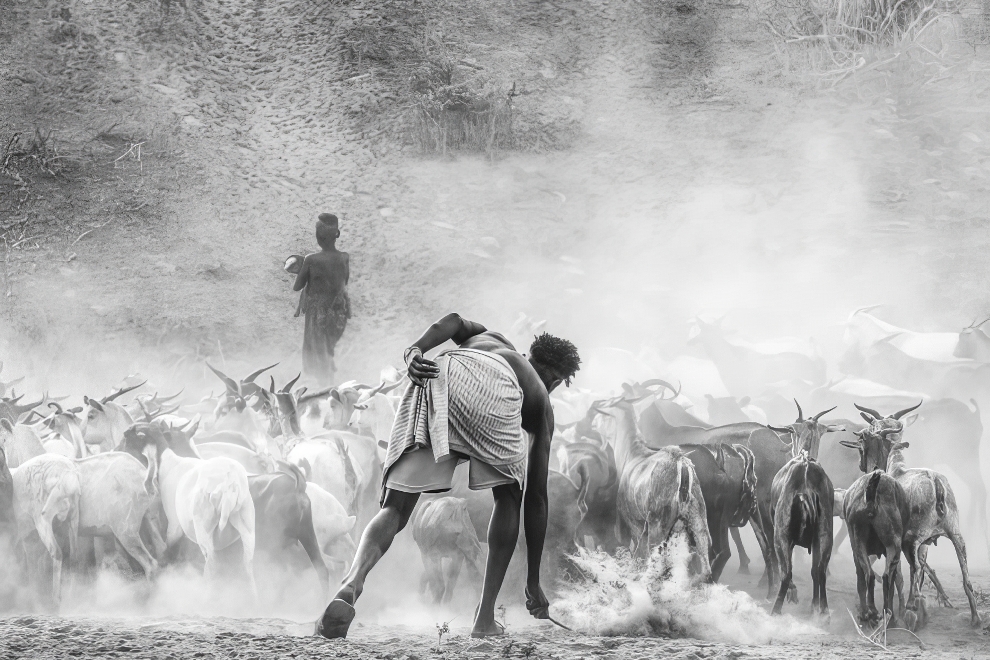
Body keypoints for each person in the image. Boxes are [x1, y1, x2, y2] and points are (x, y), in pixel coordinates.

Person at [315, 313, 581, 639]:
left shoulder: (491, 338)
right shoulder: (539, 394)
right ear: (555, 383)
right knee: (510, 496)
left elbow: (454, 321)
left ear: (530, 354)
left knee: (396, 508)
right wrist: (533, 583)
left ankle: (351, 583)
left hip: (439, 373)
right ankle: (484, 619)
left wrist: (414, 350)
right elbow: (537, 498)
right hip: (497, 389)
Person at [292, 213, 350, 386]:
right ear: (336, 235)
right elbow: (343, 282)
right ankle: (329, 386)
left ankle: (325, 389)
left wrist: (302, 268)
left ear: (320, 236)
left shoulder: (311, 259)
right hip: (338, 313)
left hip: (318, 314)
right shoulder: (344, 257)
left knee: (318, 354)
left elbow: (297, 286)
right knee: (327, 351)